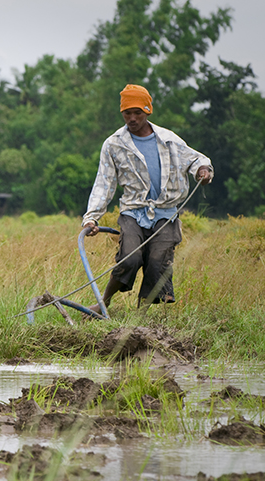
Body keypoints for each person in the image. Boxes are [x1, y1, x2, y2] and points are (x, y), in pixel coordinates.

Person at [82, 84, 213, 313]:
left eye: (137, 113)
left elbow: (195, 159)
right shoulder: (113, 144)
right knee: (130, 259)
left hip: (165, 213)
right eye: (127, 113)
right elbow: (104, 184)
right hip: (133, 211)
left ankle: (140, 320)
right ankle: (103, 303)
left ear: (148, 111)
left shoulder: (169, 140)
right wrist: (91, 218)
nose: (132, 118)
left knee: (157, 263)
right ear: (121, 113)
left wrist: (203, 170)